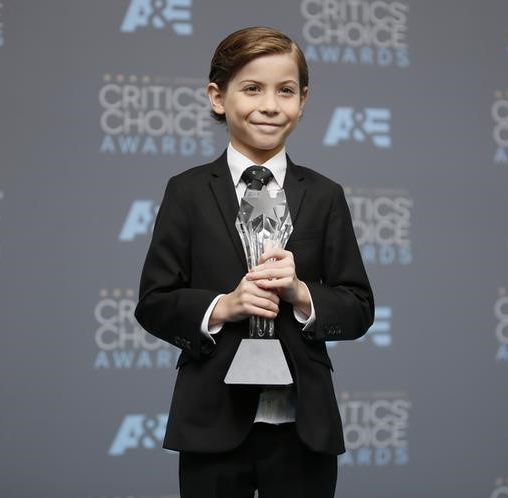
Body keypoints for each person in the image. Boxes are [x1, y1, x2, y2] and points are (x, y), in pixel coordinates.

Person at [135, 26, 374, 498]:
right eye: (251, 88)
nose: (270, 105)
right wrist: (223, 306)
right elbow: (154, 302)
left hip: (304, 427)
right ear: (217, 97)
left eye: (285, 91)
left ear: (303, 101)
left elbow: (358, 305)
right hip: (212, 424)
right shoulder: (186, 192)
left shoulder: (325, 195)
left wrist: (302, 294)